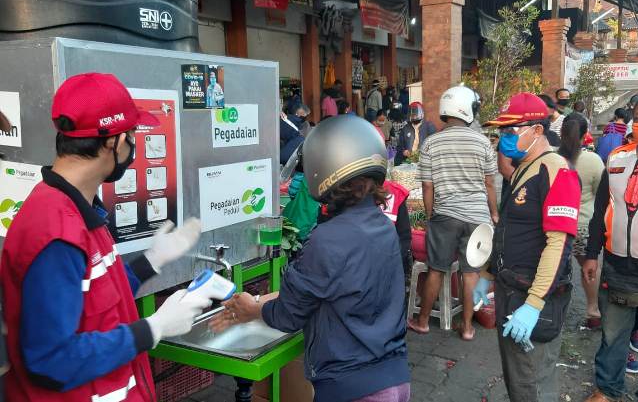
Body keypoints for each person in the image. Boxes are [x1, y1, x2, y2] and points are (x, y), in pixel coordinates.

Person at [0, 73, 211, 401]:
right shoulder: (55, 233)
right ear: (113, 141)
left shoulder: (79, 209)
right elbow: (51, 359)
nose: (133, 146)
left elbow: (92, 303)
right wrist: (152, 329)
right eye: (132, 135)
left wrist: (151, 262)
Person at [211, 115, 410, 402]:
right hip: (394, 378)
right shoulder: (381, 226)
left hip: (351, 386)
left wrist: (251, 310)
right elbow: (340, 289)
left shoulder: (328, 239)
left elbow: (289, 315)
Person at [474, 92, 581, 402]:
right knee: (517, 382)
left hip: (535, 299)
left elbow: (558, 245)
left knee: (534, 385)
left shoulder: (557, 172)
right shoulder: (523, 169)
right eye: (501, 132)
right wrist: (487, 273)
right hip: (511, 292)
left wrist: (534, 305)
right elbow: (509, 228)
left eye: (511, 131)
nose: (503, 139)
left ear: (537, 130)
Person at [407, 86, 498, 340]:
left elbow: (427, 185)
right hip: (477, 217)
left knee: (436, 268)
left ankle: (423, 321)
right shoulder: (482, 142)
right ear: (468, 109)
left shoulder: (431, 142)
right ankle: (467, 328)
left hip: (445, 216)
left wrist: (429, 216)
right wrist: (494, 212)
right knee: (471, 273)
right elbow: (489, 183)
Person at [583, 108, 638, 402]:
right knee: (614, 331)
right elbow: (601, 208)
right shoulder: (618, 158)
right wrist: (591, 253)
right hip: (618, 264)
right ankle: (607, 388)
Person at [558, 113, 604, 329]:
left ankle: (552, 310)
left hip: (557, 225)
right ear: (586, 134)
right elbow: (601, 194)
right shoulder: (593, 160)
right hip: (583, 225)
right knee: (588, 268)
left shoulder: (552, 157)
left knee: (555, 267)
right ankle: (593, 310)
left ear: (561, 132)